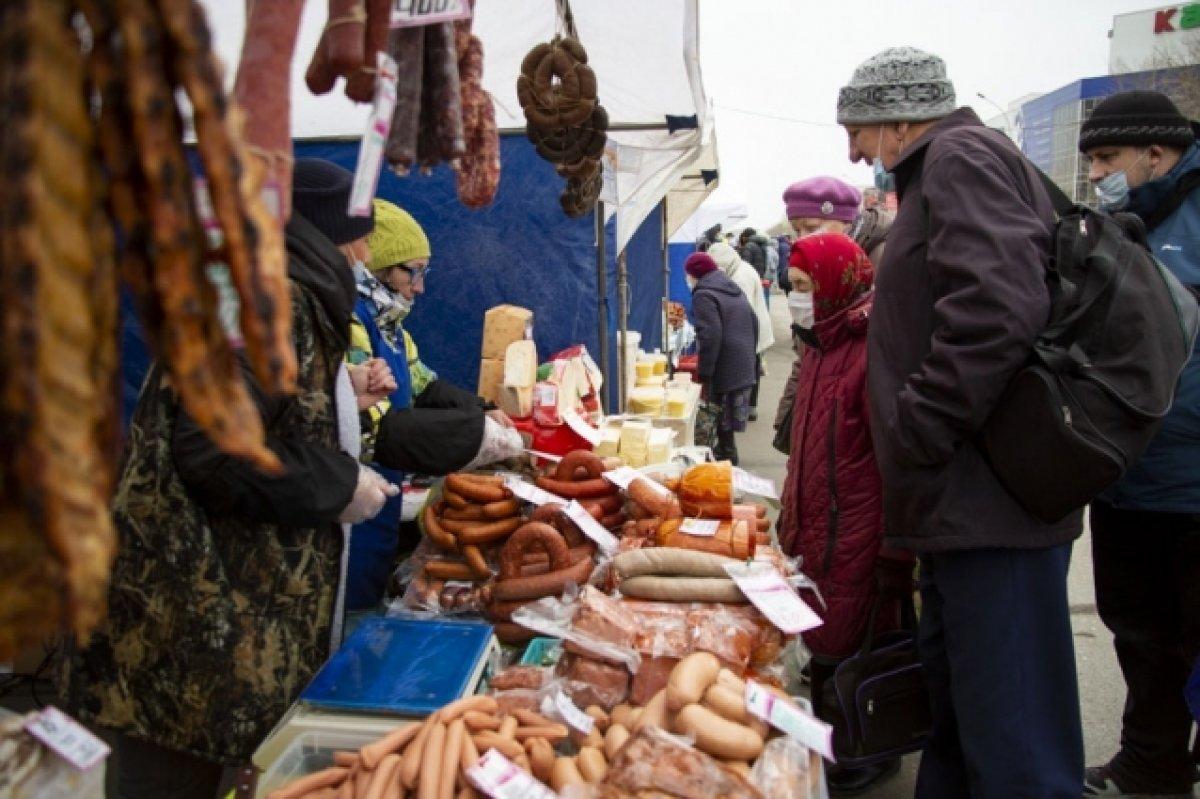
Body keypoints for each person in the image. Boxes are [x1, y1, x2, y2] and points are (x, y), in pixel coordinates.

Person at [61, 158, 397, 798]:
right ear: (331, 235)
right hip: (188, 616)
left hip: (224, 612)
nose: (366, 253)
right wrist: (338, 484)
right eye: (361, 237)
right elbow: (216, 446)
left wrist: (335, 392)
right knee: (169, 778)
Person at [838, 47, 1084, 798]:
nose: (853, 149)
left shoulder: (960, 158)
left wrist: (918, 427)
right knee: (962, 724)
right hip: (960, 508)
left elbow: (998, 308)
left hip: (990, 509)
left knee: (1014, 746)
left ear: (900, 116)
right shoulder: (944, 168)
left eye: (857, 129)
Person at [1076, 90, 1200, 799]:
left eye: (1107, 156)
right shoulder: (1115, 224)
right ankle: (1151, 762)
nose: (1096, 171)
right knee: (1141, 635)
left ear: (1158, 153)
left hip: (1191, 477)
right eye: (1091, 157)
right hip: (1126, 472)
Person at [776, 232, 912, 794]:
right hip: (820, 525)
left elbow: (898, 456)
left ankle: (869, 751)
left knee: (859, 643)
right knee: (828, 643)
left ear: (835, 284)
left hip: (860, 528)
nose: (795, 297)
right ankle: (840, 739)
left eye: (804, 287)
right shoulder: (819, 342)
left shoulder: (874, 347)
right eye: (791, 287)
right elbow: (806, 442)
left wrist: (895, 547)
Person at [344, 199, 523, 610]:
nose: (421, 286)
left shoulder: (391, 329)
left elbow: (422, 383)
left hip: (384, 495)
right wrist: (470, 436)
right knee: (349, 611)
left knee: (371, 592)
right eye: (414, 271)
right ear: (380, 268)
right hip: (352, 500)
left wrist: (480, 407)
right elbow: (368, 429)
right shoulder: (350, 324)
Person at [773, 176, 864, 444]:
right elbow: (807, 353)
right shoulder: (807, 261)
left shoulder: (879, 258)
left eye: (811, 227)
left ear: (846, 221)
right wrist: (788, 422)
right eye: (796, 230)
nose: (803, 238)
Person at [685, 252, 757, 464]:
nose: (687, 279)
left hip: (724, 366)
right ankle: (727, 466)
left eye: (688, 275)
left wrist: (704, 371)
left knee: (719, 424)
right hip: (742, 364)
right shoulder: (732, 288)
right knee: (726, 429)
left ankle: (726, 474)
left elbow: (710, 334)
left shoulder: (704, 295)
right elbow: (754, 322)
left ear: (695, 274)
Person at [707, 242, 774, 423]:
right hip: (753, 327)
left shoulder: (740, 277)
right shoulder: (741, 266)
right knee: (753, 367)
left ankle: (747, 409)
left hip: (751, 329)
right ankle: (749, 407)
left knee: (750, 370)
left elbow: (742, 311)